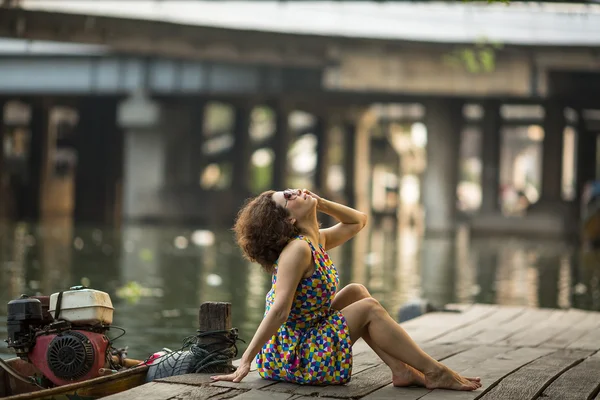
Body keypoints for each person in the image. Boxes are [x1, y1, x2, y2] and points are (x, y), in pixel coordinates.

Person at [211, 189, 481, 391]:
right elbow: (280, 310)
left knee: (357, 292)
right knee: (369, 309)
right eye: (290, 197)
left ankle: (401, 370)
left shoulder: (315, 239)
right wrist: (246, 360)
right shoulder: (298, 250)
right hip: (296, 357)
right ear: (289, 220)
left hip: (305, 338)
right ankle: (435, 372)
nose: (297, 191)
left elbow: (358, 221)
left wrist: (321, 202)